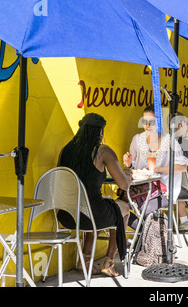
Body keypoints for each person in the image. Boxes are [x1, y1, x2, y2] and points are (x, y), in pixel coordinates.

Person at [58, 113, 131, 277]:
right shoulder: (102, 151)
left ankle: (84, 260)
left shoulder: (66, 150)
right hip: (91, 215)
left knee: (98, 205)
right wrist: (127, 169)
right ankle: (109, 261)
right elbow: (124, 184)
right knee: (123, 208)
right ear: (100, 132)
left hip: (67, 216)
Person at [123, 105, 188, 204]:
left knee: (143, 204)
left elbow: (182, 167)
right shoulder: (137, 139)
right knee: (122, 203)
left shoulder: (169, 141)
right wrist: (129, 164)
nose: (147, 125)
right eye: (145, 121)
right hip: (140, 187)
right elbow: (133, 168)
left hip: (164, 188)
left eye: (152, 122)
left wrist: (156, 170)